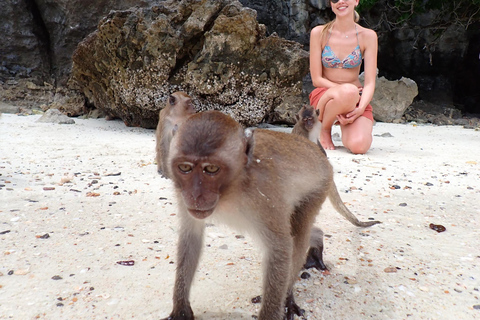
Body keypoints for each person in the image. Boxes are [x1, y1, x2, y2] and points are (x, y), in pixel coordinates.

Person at [309, 0, 378, 154]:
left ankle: (346, 120)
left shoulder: (368, 36)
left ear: (356, 1)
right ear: (331, 4)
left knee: (359, 146)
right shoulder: (319, 33)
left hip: (356, 98)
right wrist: (345, 92)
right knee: (349, 91)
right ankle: (325, 129)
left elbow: (369, 83)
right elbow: (316, 79)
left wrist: (359, 109)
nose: (340, 1)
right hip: (325, 96)